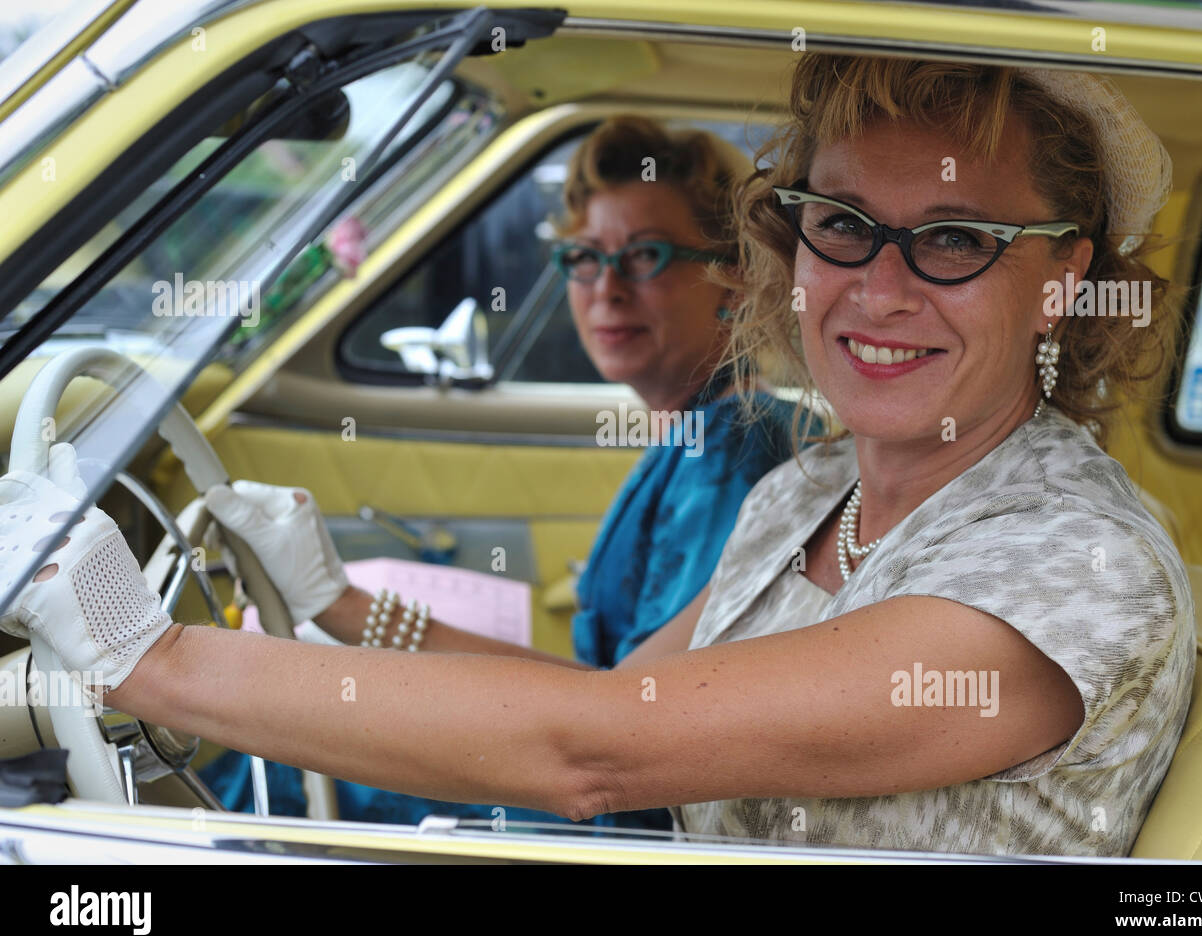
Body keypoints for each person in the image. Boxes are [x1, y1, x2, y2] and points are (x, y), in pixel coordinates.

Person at [0, 55, 1195, 856]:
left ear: (1063, 279)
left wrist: (143, 650)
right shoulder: (809, 488)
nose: (880, 289)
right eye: (843, 225)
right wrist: (337, 605)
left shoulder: (1076, 566)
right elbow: (606, 701)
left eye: (954, 241)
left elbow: (598, 753)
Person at [195, 115, 815, 832]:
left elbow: (630, 720)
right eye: (583, 257)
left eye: (644, 255)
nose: (605, 288)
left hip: (617, 814)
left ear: (731, 277)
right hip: (595, 767)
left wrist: (346, 608)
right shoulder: (700, 429)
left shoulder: (731, 450)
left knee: (286, 761)